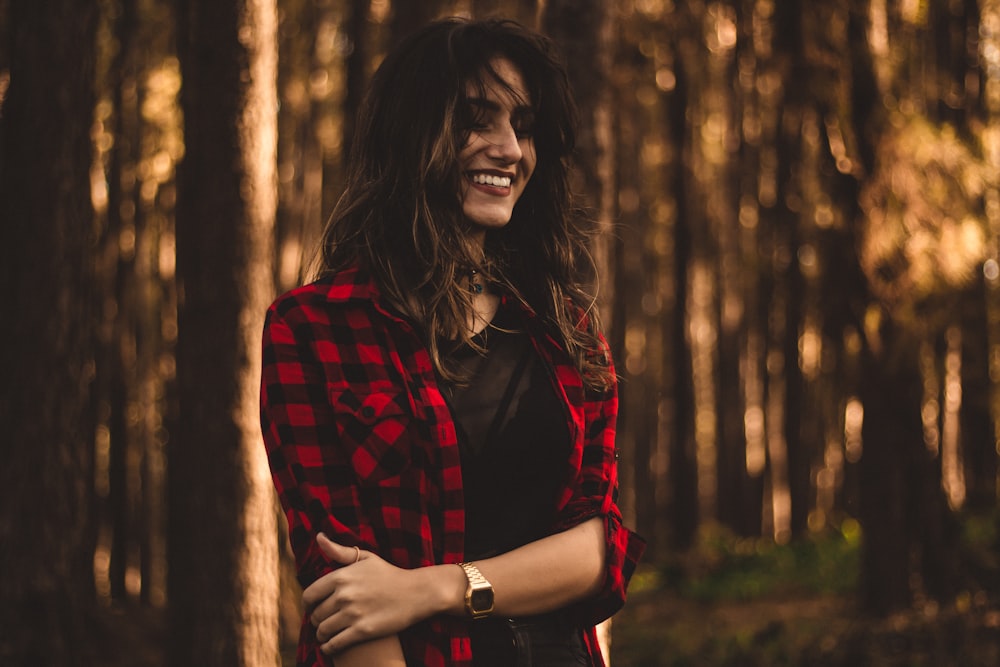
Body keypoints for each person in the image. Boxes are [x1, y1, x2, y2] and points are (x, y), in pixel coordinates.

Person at [260, 17, 645, 667]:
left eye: (522, 126)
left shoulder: (566, 332)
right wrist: (423, 599)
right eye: (476, 119)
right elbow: (345, 592)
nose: (510, 149)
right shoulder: (313, 329)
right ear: (412, 135)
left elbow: (595, 552)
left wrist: (429, 589)